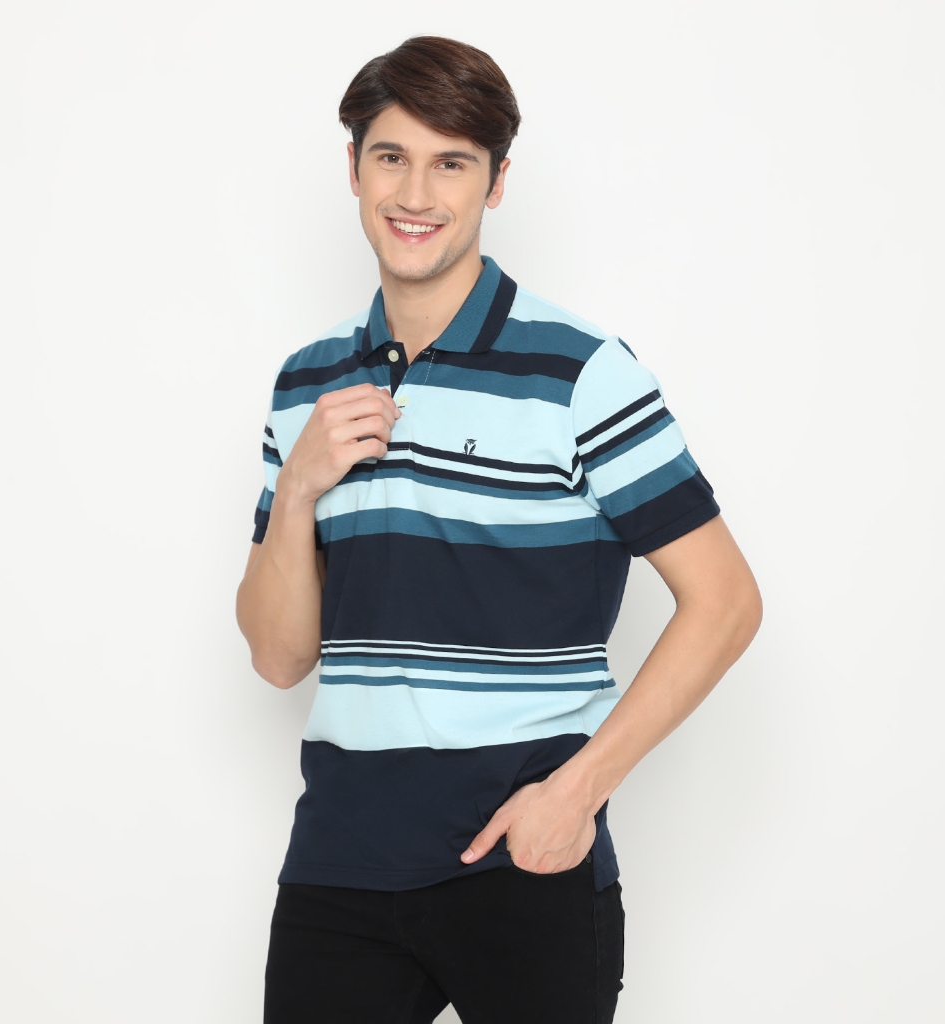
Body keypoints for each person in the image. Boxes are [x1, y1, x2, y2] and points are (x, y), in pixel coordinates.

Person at [235, 35, 762, 1024]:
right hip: (340, 866)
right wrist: (298, 486)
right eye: (391, 156)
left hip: (524, 862)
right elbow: (278, 657)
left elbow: (726, 601)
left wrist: (578, 791)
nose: (415, 193)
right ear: (353, 169)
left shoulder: (582, 371)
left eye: (452, 163)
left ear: (497, 181)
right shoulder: (306, 382)